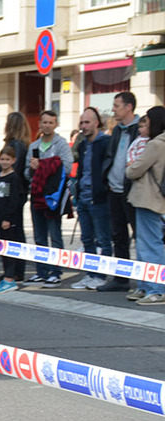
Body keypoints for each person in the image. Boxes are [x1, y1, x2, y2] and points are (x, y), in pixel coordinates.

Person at [25, 110, 73, 286]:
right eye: (44, 122)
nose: (47, 126)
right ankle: (42, 271)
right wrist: (32, 169)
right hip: (37, 196)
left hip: (53, 197)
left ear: (56, 124)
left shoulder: (61, 144)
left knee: (55, 235)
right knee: (39, 236)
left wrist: (44, 166)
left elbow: (67, 167)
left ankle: (56, 272)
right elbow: (26, 172)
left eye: (50, 122)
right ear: (39, 124)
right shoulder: (34, 146)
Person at [124, 106, 165, 305]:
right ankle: (145, 287)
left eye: (146, 122)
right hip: (155, 199)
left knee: (149, 245)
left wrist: (130, 167)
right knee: (145, 244)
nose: (144, 125)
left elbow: (134, 170)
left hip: (148, 199)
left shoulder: (155, 145)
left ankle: (156, 289)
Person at [99, 92, 139, 292]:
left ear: (128, 107)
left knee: (140, 235)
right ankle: (121, 279)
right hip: (114, 190)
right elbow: (111, 156)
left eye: (116, 105)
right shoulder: (116, 130)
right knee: (118, 236)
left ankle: (147, 280)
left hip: (133, 191)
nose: (113, 109)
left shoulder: (140, 130)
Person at [71, 107, 113, 290]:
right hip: (83, 198)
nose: (83, 126)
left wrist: (103, 188)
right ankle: (90, 274)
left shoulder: (105, 143)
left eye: (87, 122)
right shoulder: (82, 145)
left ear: (96, 123)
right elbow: (81, 169)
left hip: (99, 199)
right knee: (87, 239)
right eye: (81, 122)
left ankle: (101, 276)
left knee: (103, 239)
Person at [0, 112, 32, 281]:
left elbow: (13, 174)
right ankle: (13, 270)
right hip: (18, 193)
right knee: (14, 233)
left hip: (13, 195)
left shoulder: (16, 146)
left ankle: (15, 271)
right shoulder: (21, 145)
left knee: (13, 233)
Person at [0, 145, 28, 294]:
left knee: (10, 248)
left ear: (13, 160)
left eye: (7, 159)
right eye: (2, 159)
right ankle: (6, 273)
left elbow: (14, 201)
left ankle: (10, 277)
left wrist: (8, 219)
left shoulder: (14, 178)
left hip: (9, 221)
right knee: (2, 248)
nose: (4, 162)